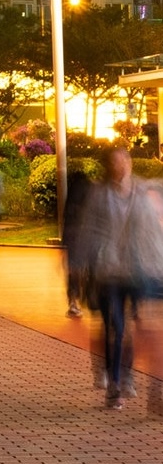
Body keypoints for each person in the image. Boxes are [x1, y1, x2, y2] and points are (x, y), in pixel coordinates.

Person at [78, 146, 163, 407]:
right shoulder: (99, 195)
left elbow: (153, 232)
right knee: (116, 326)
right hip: (109, 272)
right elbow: (88, 230)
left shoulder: (142, 191)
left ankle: (127, 376)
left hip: (137, 270)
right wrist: (78, 264)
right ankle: (114, 384)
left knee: (141, 325)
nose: (122, 165)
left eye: (125, 160)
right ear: (109, 165)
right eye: (116, 161)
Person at [62, 167, 93, 317]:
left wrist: (64, 243)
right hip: (85, 238)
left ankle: (73, 301)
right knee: (84, 270)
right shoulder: (89, 193)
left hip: (73, 239)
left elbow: (66, 220)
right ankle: (82, 298)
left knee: (73, 271)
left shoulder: (71, 197)